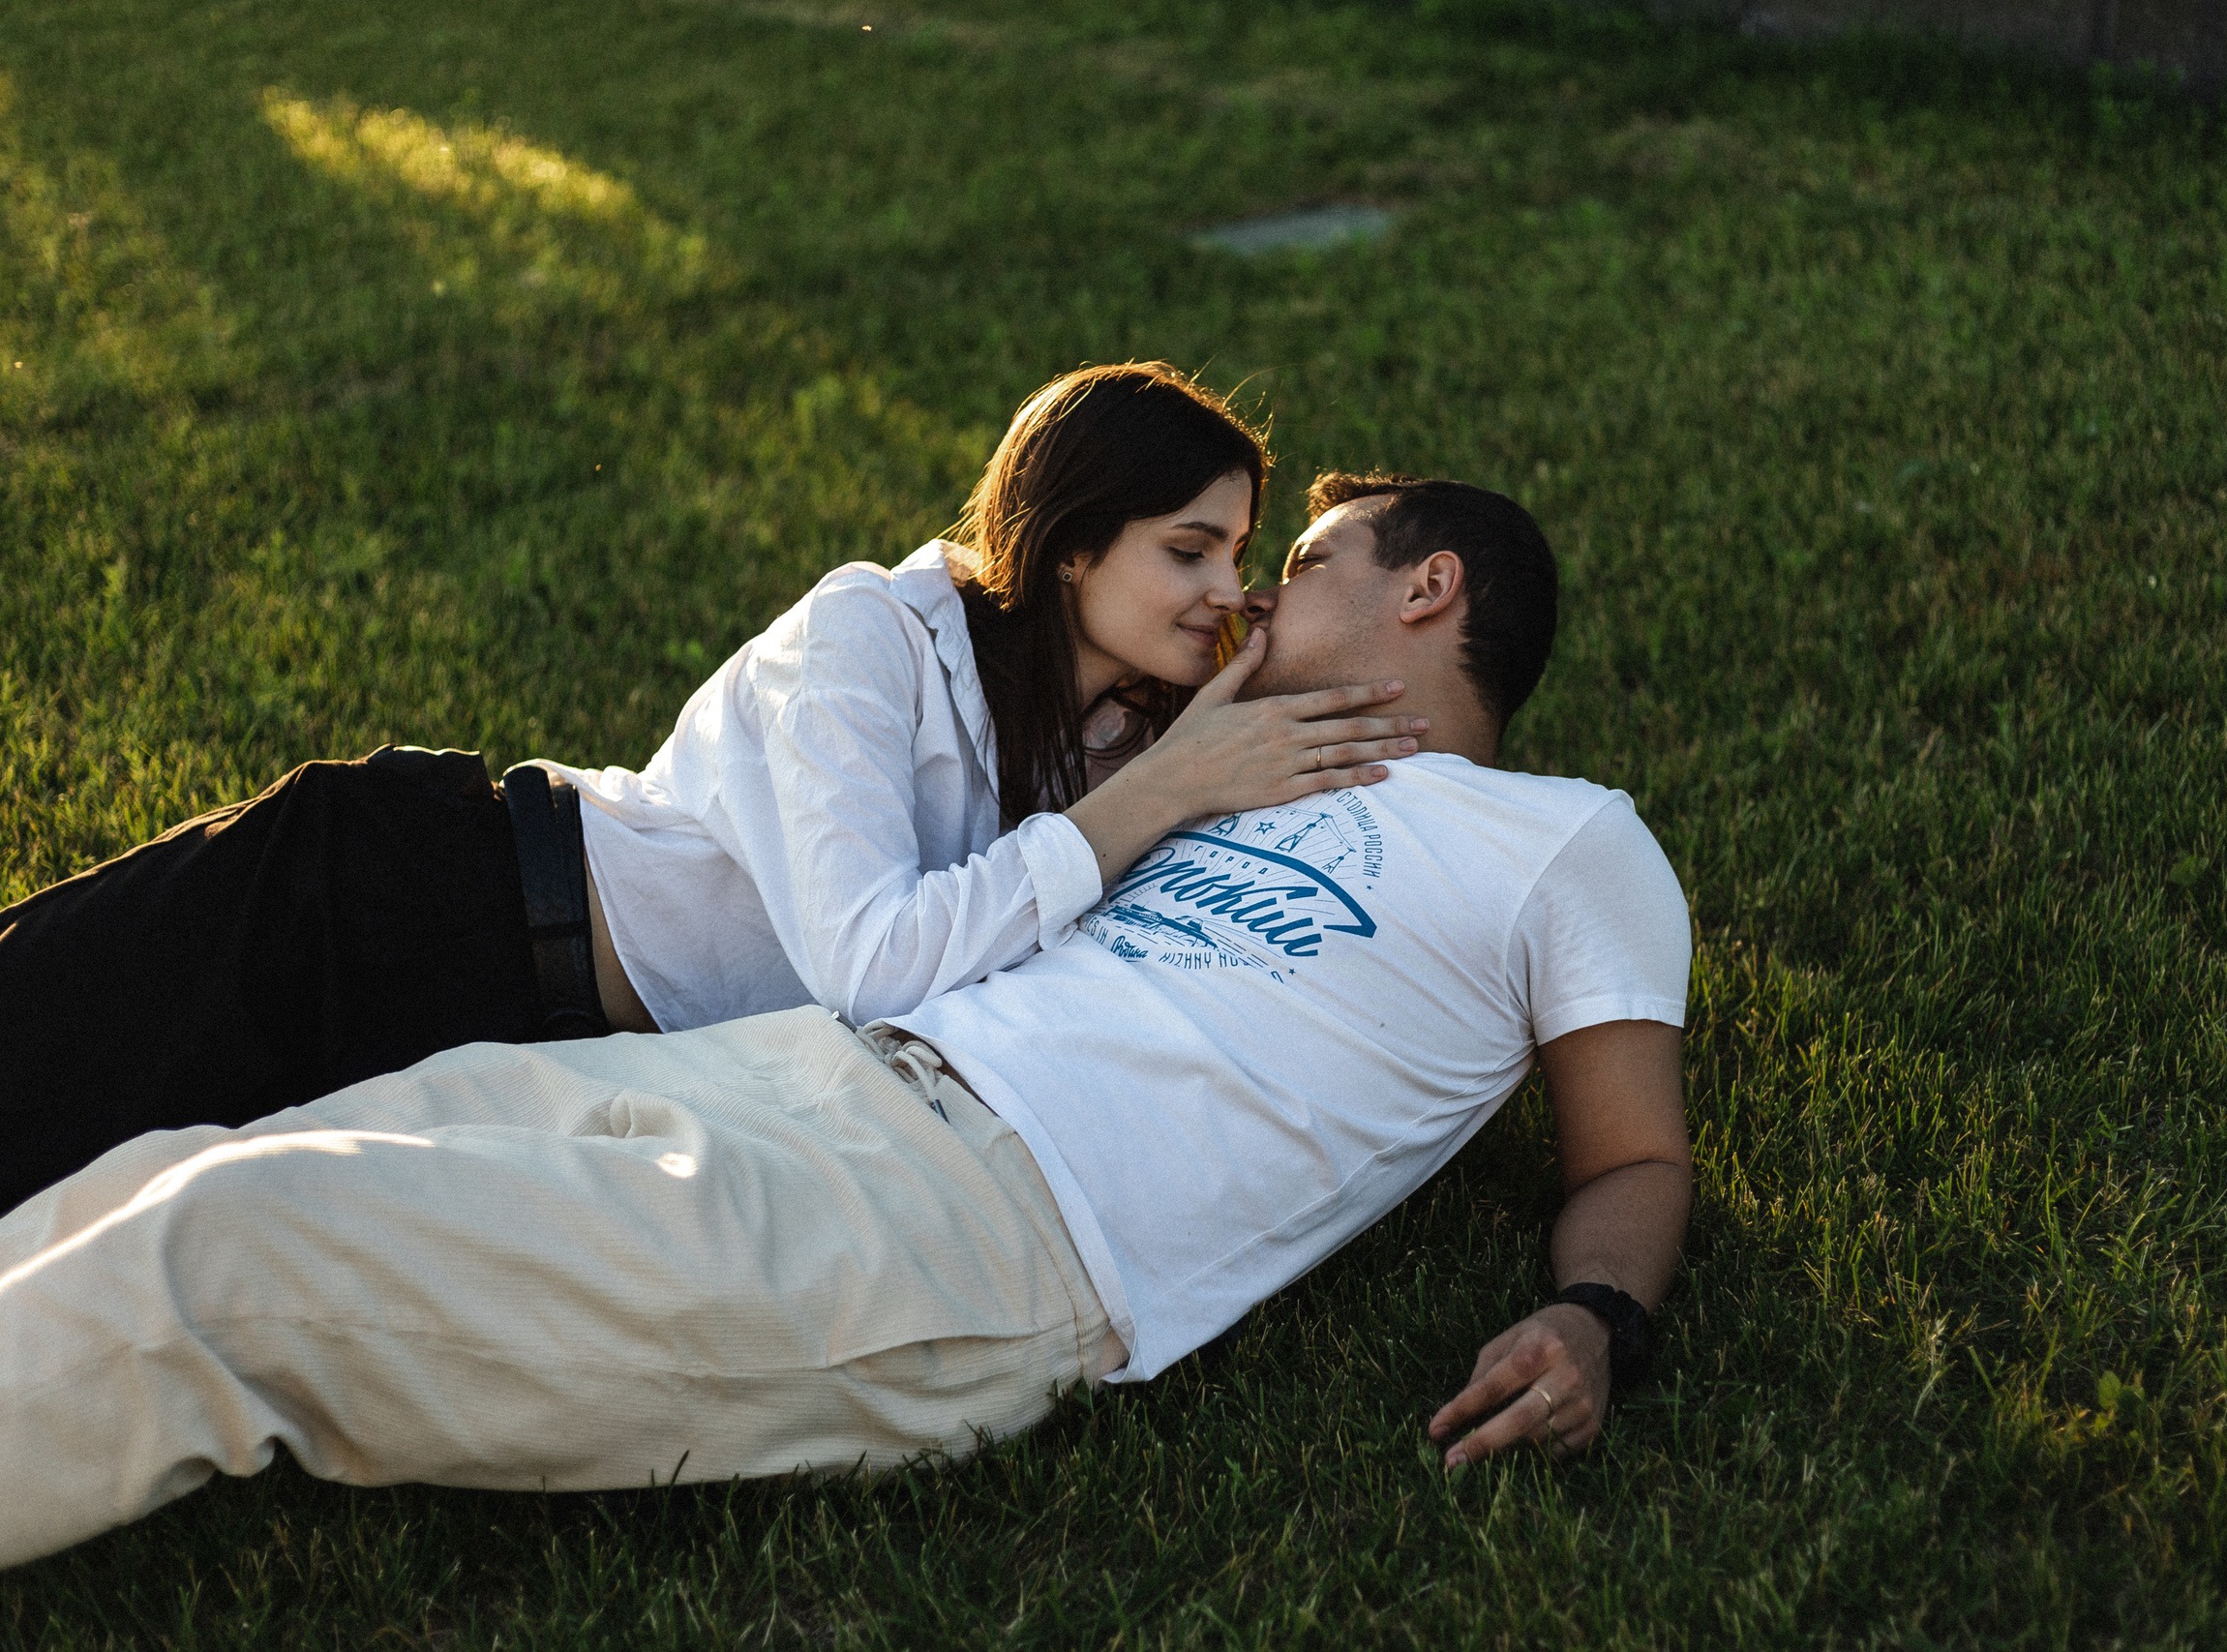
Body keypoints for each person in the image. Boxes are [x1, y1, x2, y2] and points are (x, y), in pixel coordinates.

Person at [0, 473, 1694, 1572]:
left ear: (1430, 588)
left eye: (1305, 564)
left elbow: (1634, 1153)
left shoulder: (1564, 843)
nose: (1251, 601)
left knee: (235, 1257)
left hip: (971, 1229)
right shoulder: (1214, 762)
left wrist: (1596, 1315)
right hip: (792, 1070)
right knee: (189, 1168)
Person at [0, 363, 1428, 1213]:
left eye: (1239, 556)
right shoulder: (871, 635)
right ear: (1069, 545)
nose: (1224, 590)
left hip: (536, 1040)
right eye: (1188, 550)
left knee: (138, 1219)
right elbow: (874, 965)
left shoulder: (1128, 733)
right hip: (399, 899)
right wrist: (1152, 794)